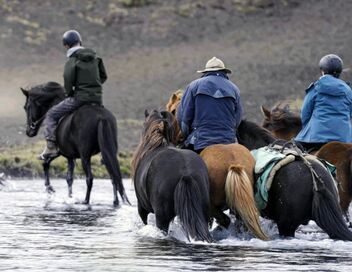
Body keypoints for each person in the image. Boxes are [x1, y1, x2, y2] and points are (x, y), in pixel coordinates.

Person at [39, 29, 107, 159]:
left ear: (66, 45)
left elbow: (68, 84)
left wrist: (73, 92)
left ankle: (51, 147)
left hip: (79, 98)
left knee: (51, 115)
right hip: (97, 99)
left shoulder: (72, 61)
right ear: (80, 41)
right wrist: (93, 88)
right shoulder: (96, 57)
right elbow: (103, 76)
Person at [176, 56, 243, 153]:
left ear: (205, 72)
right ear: (224, 72)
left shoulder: (194, 86)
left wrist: (186, 135)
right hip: (228, 140)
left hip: (200, 141)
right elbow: (237, 119)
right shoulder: (234, 89)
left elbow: (184, 118)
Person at [295, 54, 352, 151]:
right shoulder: (348, 90)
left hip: (316, 137)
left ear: (322, 71)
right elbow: (350, 113)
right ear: (339, 72)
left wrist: (306, 129)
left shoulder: (316, 87)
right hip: (344, 138)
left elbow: (305, 113)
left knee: (294, 153)